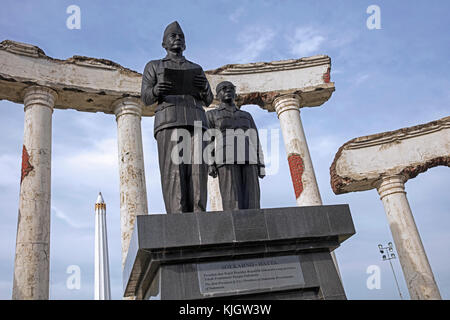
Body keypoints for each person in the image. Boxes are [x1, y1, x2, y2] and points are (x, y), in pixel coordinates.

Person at [141, 21, 213, 213]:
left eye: (181, 36)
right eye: (173, 36)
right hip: (169, 121)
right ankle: (177, 215)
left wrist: (203, 87)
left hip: (196, 120)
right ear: (164, 43)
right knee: (174, 172)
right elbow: (146, 98)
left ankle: (199, 213)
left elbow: (209, 99)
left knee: (199, 171)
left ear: (185, 44)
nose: (178, 38)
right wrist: (157, 89)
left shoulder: (195, 68)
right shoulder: (154, 66)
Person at [206, 81, 265, 211]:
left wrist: (261, 164)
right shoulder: (211, 115)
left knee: (253, 198)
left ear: (235, 92)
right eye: (223, 88)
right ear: (218, 95)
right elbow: (207, 141)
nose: (227, 90)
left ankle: (256, 227)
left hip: (249, 158)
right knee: (232, 199)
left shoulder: (247, 116)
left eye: (231, 88)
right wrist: (210, 163)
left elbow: (255, 140)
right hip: (225, 159)